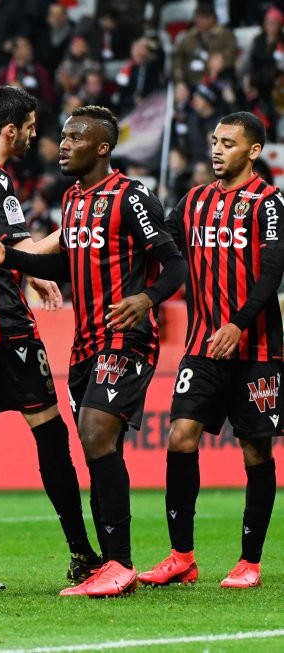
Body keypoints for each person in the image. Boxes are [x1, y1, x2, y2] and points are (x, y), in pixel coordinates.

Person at [0, 105, 188, 597]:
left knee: (95, 432)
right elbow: (70, 269)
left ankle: (118, 563)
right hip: (85, 345)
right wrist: (9, 257)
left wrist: (146, 298)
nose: (62, 144)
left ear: (102, 147)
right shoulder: (74, 200)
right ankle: (107, 561)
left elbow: (173, 263)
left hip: (126, 337)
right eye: (63, 135)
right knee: (99, 446)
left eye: (75, 137)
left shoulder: (132, 196)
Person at [0, 86, 99, 594]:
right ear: (12, 129)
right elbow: (24, 246)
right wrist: (77, 224)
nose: (35, 134)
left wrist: (28, 272)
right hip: (0, 322)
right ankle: (80, 554)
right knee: (49, 433)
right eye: (30, 126)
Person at [138, 112, 284, 591]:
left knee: (255, 450)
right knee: (181, 437)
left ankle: (250, 562)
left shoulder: (269, 204)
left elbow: (270, 274)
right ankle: (182, 556)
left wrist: (240, 324)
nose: (217, 149)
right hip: (202, 346)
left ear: (254, 150)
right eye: (215, 141)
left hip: (256, 347)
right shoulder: (192, 201)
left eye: (229, 142)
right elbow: (163, 250)